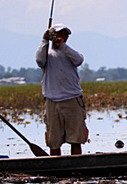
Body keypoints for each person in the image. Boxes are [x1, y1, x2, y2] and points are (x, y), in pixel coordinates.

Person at [35, 24, 88, 156]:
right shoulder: (46, 54)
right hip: (53, 102)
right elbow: (39, 61)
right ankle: (56, 168)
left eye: (64, 34)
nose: (61, 37)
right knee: (54, 141)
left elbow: (79, 60)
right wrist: (44, 40)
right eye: (58, 34)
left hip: (72, 100)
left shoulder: (69, 52)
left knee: (76, 139)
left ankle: (77, 167)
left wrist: (62, 46)